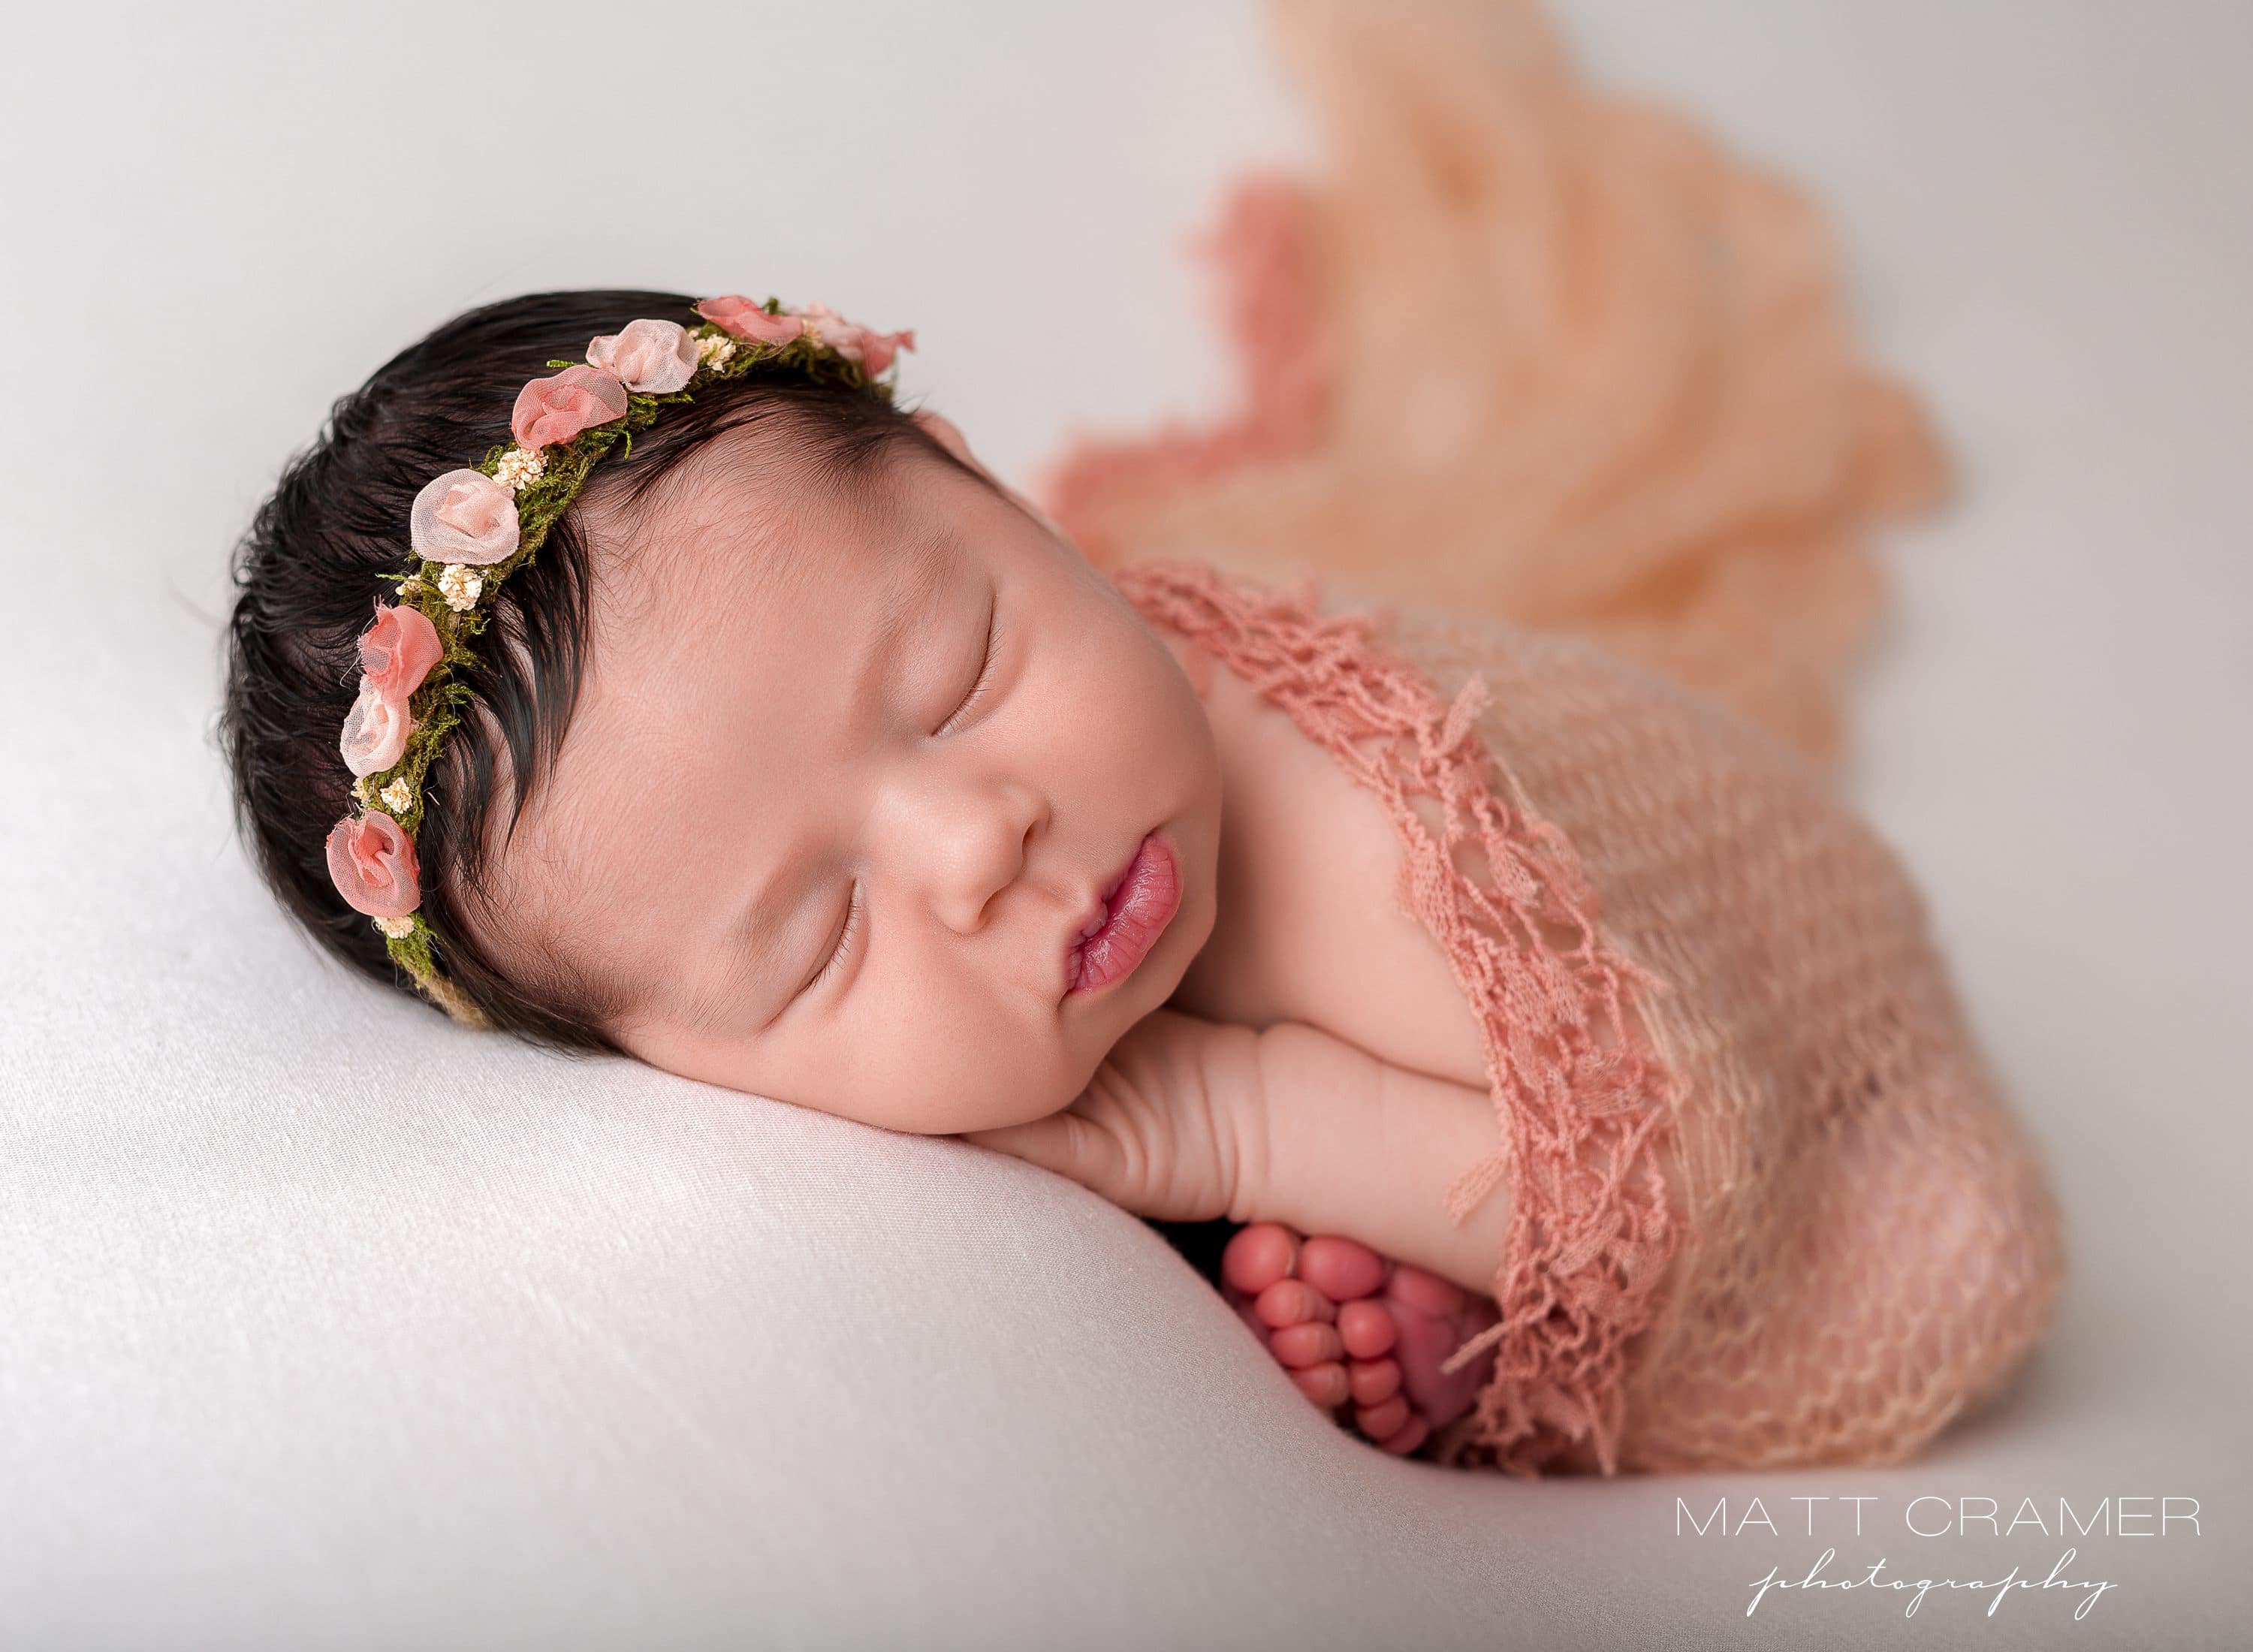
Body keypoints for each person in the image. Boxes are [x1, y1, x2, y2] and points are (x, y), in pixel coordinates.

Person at [222, 288, 2064, 1475]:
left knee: (1953, 1254)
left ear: (989, 485)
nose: (977, 842)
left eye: (959, 676)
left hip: (1775, 1046)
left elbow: (1664, 1197)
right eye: (821, 936)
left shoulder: (1367, 857)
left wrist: (1238, 1127)